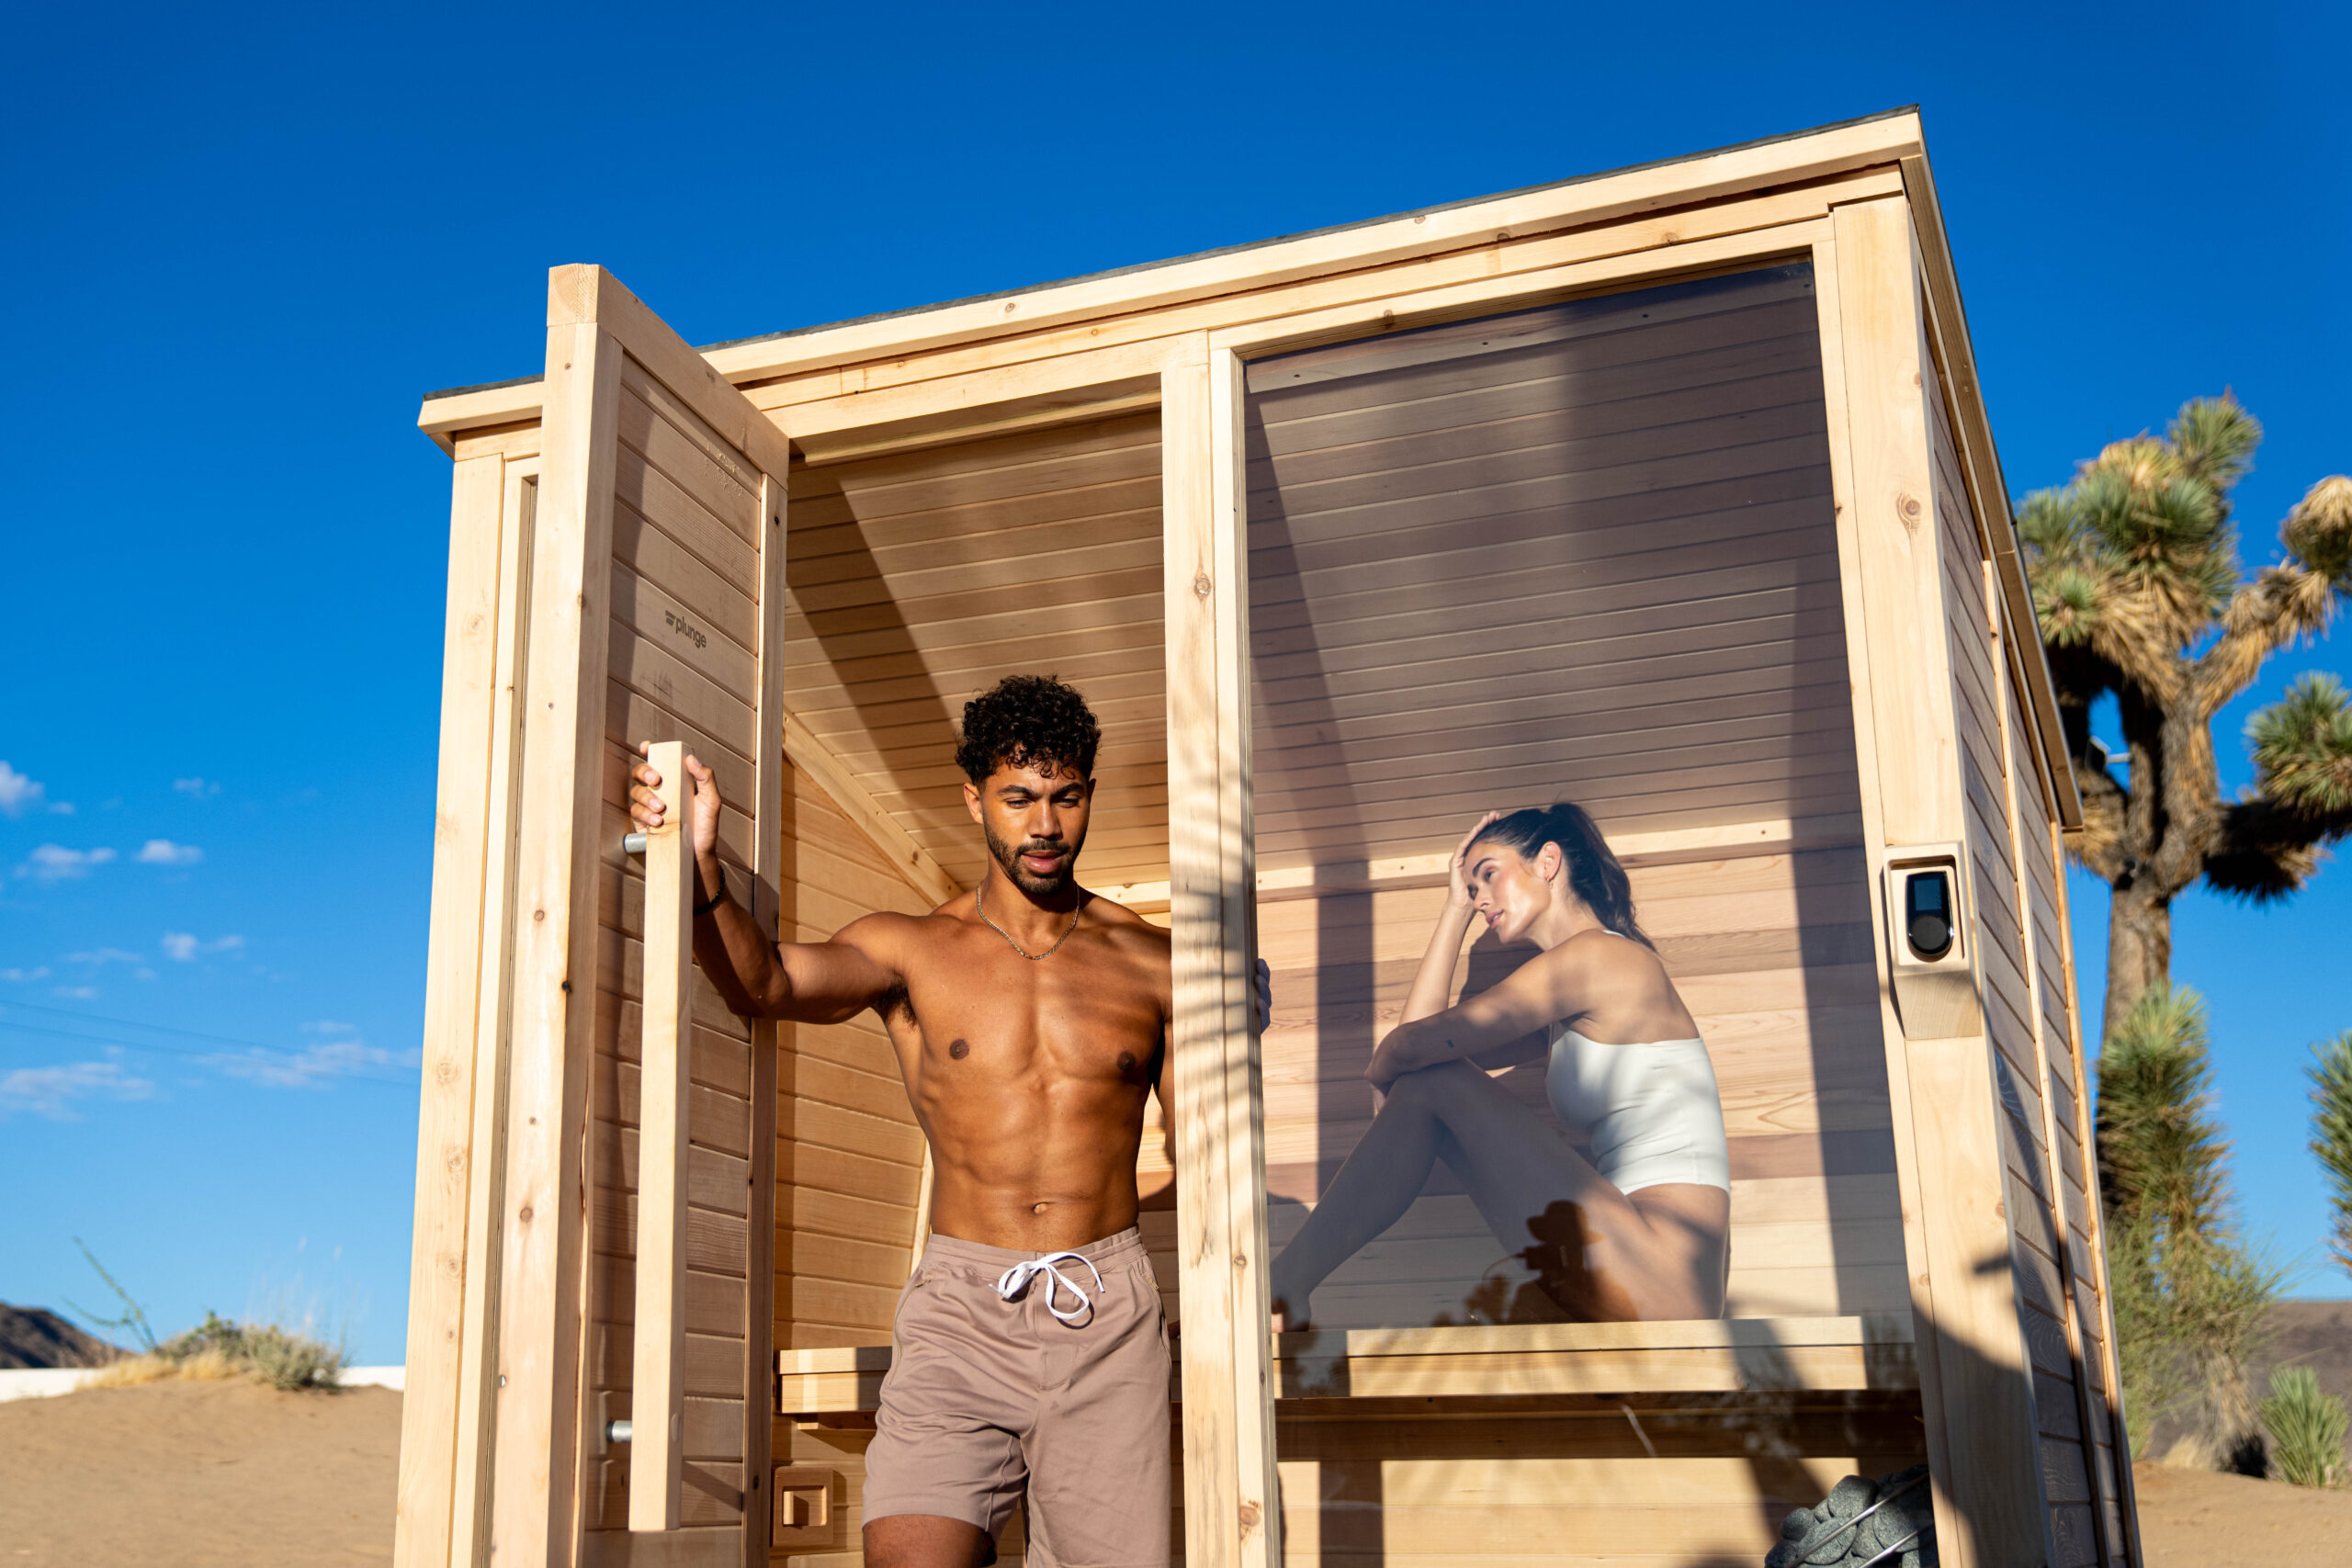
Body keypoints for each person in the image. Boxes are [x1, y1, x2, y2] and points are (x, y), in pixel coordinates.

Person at [629, 675, 1174, 1568]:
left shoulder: (1154, 964)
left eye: (1065, 798)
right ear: (974, 798)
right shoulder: (912, 947)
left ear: (1088, 795)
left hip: (1104, 1311)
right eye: (1019, 799)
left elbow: (1201, 1145)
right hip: (963, 1307)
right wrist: (700, 873)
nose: (1044, 825)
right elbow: (763, 983)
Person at [1265, 803, 1731, 1329]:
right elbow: (1419, 1045)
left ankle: (1284, 1287)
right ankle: (1285, 1287)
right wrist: (1454, 911)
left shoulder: (1603, 959)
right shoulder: (1571, 1001)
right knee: (1430, 1082)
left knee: (1434, 1079)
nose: (1480, 897)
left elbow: (1416, 1049)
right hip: (1629, 1257)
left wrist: (1380, 1070)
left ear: (1548, 862)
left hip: (1664, 1272)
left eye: (1488, 876)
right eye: (1472, 889)